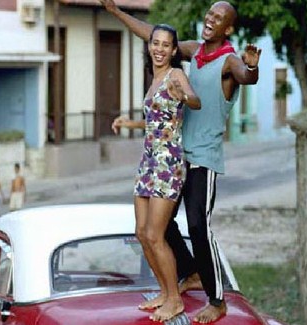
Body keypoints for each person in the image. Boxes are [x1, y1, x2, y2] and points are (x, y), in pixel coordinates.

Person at [99, 1, 262, 323]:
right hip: (176, 154)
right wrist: (116, 12)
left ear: (228, 29)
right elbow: (155, 36)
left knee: (199, 226)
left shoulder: (228, 60)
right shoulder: (196, 52)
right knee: (162, 227)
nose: (210, 19)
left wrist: (252, 67)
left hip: (203, 158)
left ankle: (217, 299)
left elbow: (246, 77)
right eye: (210, 14)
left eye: (219, 18)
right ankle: (191, 272)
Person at [111, 24, 201, 322]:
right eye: (156, 43)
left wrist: (185, 95)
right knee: (141, 233)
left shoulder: (175, 75)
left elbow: (193, 100)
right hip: (148, 160)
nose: (160, 49)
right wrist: (130, 123)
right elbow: (157, 121)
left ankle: (175, 300)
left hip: (167, 163)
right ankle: (164, 291)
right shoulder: (155, 78)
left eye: (166, 45)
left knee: (155, 233)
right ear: (149, 46)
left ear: (174, 50)